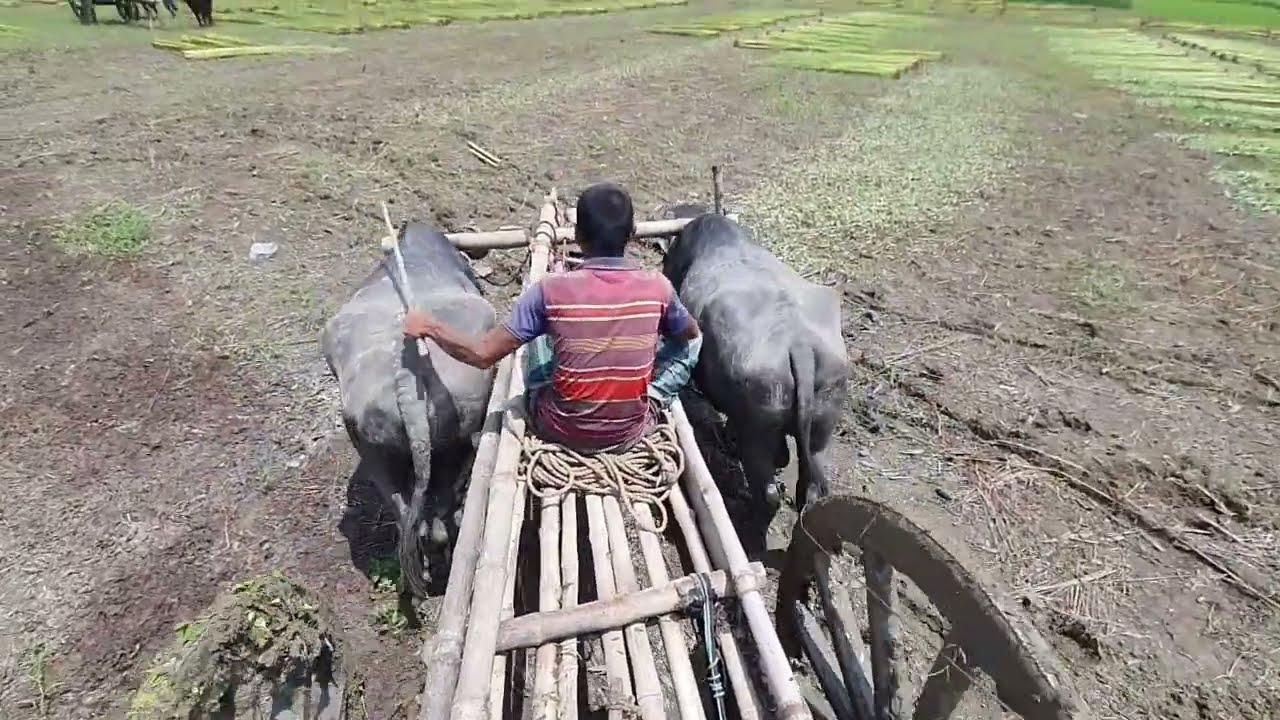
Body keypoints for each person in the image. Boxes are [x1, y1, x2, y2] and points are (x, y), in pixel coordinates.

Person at [403, 182, 703, 453]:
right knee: (693, 343)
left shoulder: (549, 290)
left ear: (577, 235)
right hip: (630, 432)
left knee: (539, 333)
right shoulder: (658, 286)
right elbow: (689, 333)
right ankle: (652, 393)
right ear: (632, 234)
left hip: (559, 428)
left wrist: (429, 325)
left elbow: (482, 354)